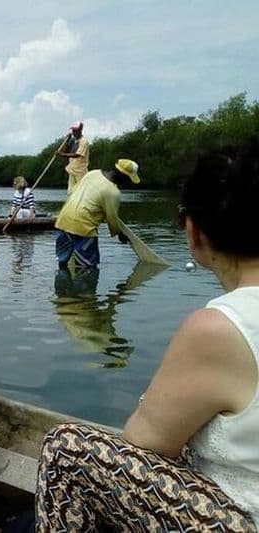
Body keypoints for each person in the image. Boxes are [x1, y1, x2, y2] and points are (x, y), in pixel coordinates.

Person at [36, 144, 259, 531]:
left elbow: (141, 442)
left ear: (193, 232)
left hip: (243, 523)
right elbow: (111, 221)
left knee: (65, 447)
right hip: (83, 230)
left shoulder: (218, 327)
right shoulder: (111, 191)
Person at [54, 159, 139, 269]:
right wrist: (119, 234)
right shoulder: (113, 192)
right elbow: (111, 218)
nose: (126, 183)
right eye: (127, 179)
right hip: (83, 228)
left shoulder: (93, 173)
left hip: (63, 221)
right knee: (87, 267)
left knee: (62, 262)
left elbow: (75, 192)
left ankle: (62, 284)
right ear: (122, 175)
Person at [57, 122, 90, 194]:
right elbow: (65, 150)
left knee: (81, 192)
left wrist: (63, 155)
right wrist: (67, 140)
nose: (73, 132)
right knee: (71, 192)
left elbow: (77, 155)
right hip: (72, 170)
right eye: (72, 130)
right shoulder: (73, 141)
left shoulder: (84, 141)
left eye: (75, 130)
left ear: (80, 130)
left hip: (81, 171)